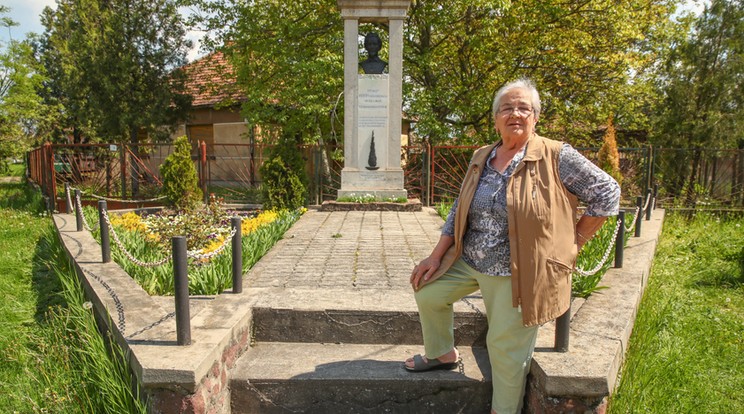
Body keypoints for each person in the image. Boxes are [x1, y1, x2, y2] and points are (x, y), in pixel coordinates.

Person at [404, 78, 620, 414]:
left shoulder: (556, 155)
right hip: (470, 259)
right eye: (507, 107)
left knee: (504, 347)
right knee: (428, 290)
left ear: (536, 117)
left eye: (524, 108)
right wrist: (436, 255)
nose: (515, 113)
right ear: (495, 118)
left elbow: (608, 192)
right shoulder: (482, 155)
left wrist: (575, 242)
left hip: (518, 270)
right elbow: (458, 208)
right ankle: (442, 354)